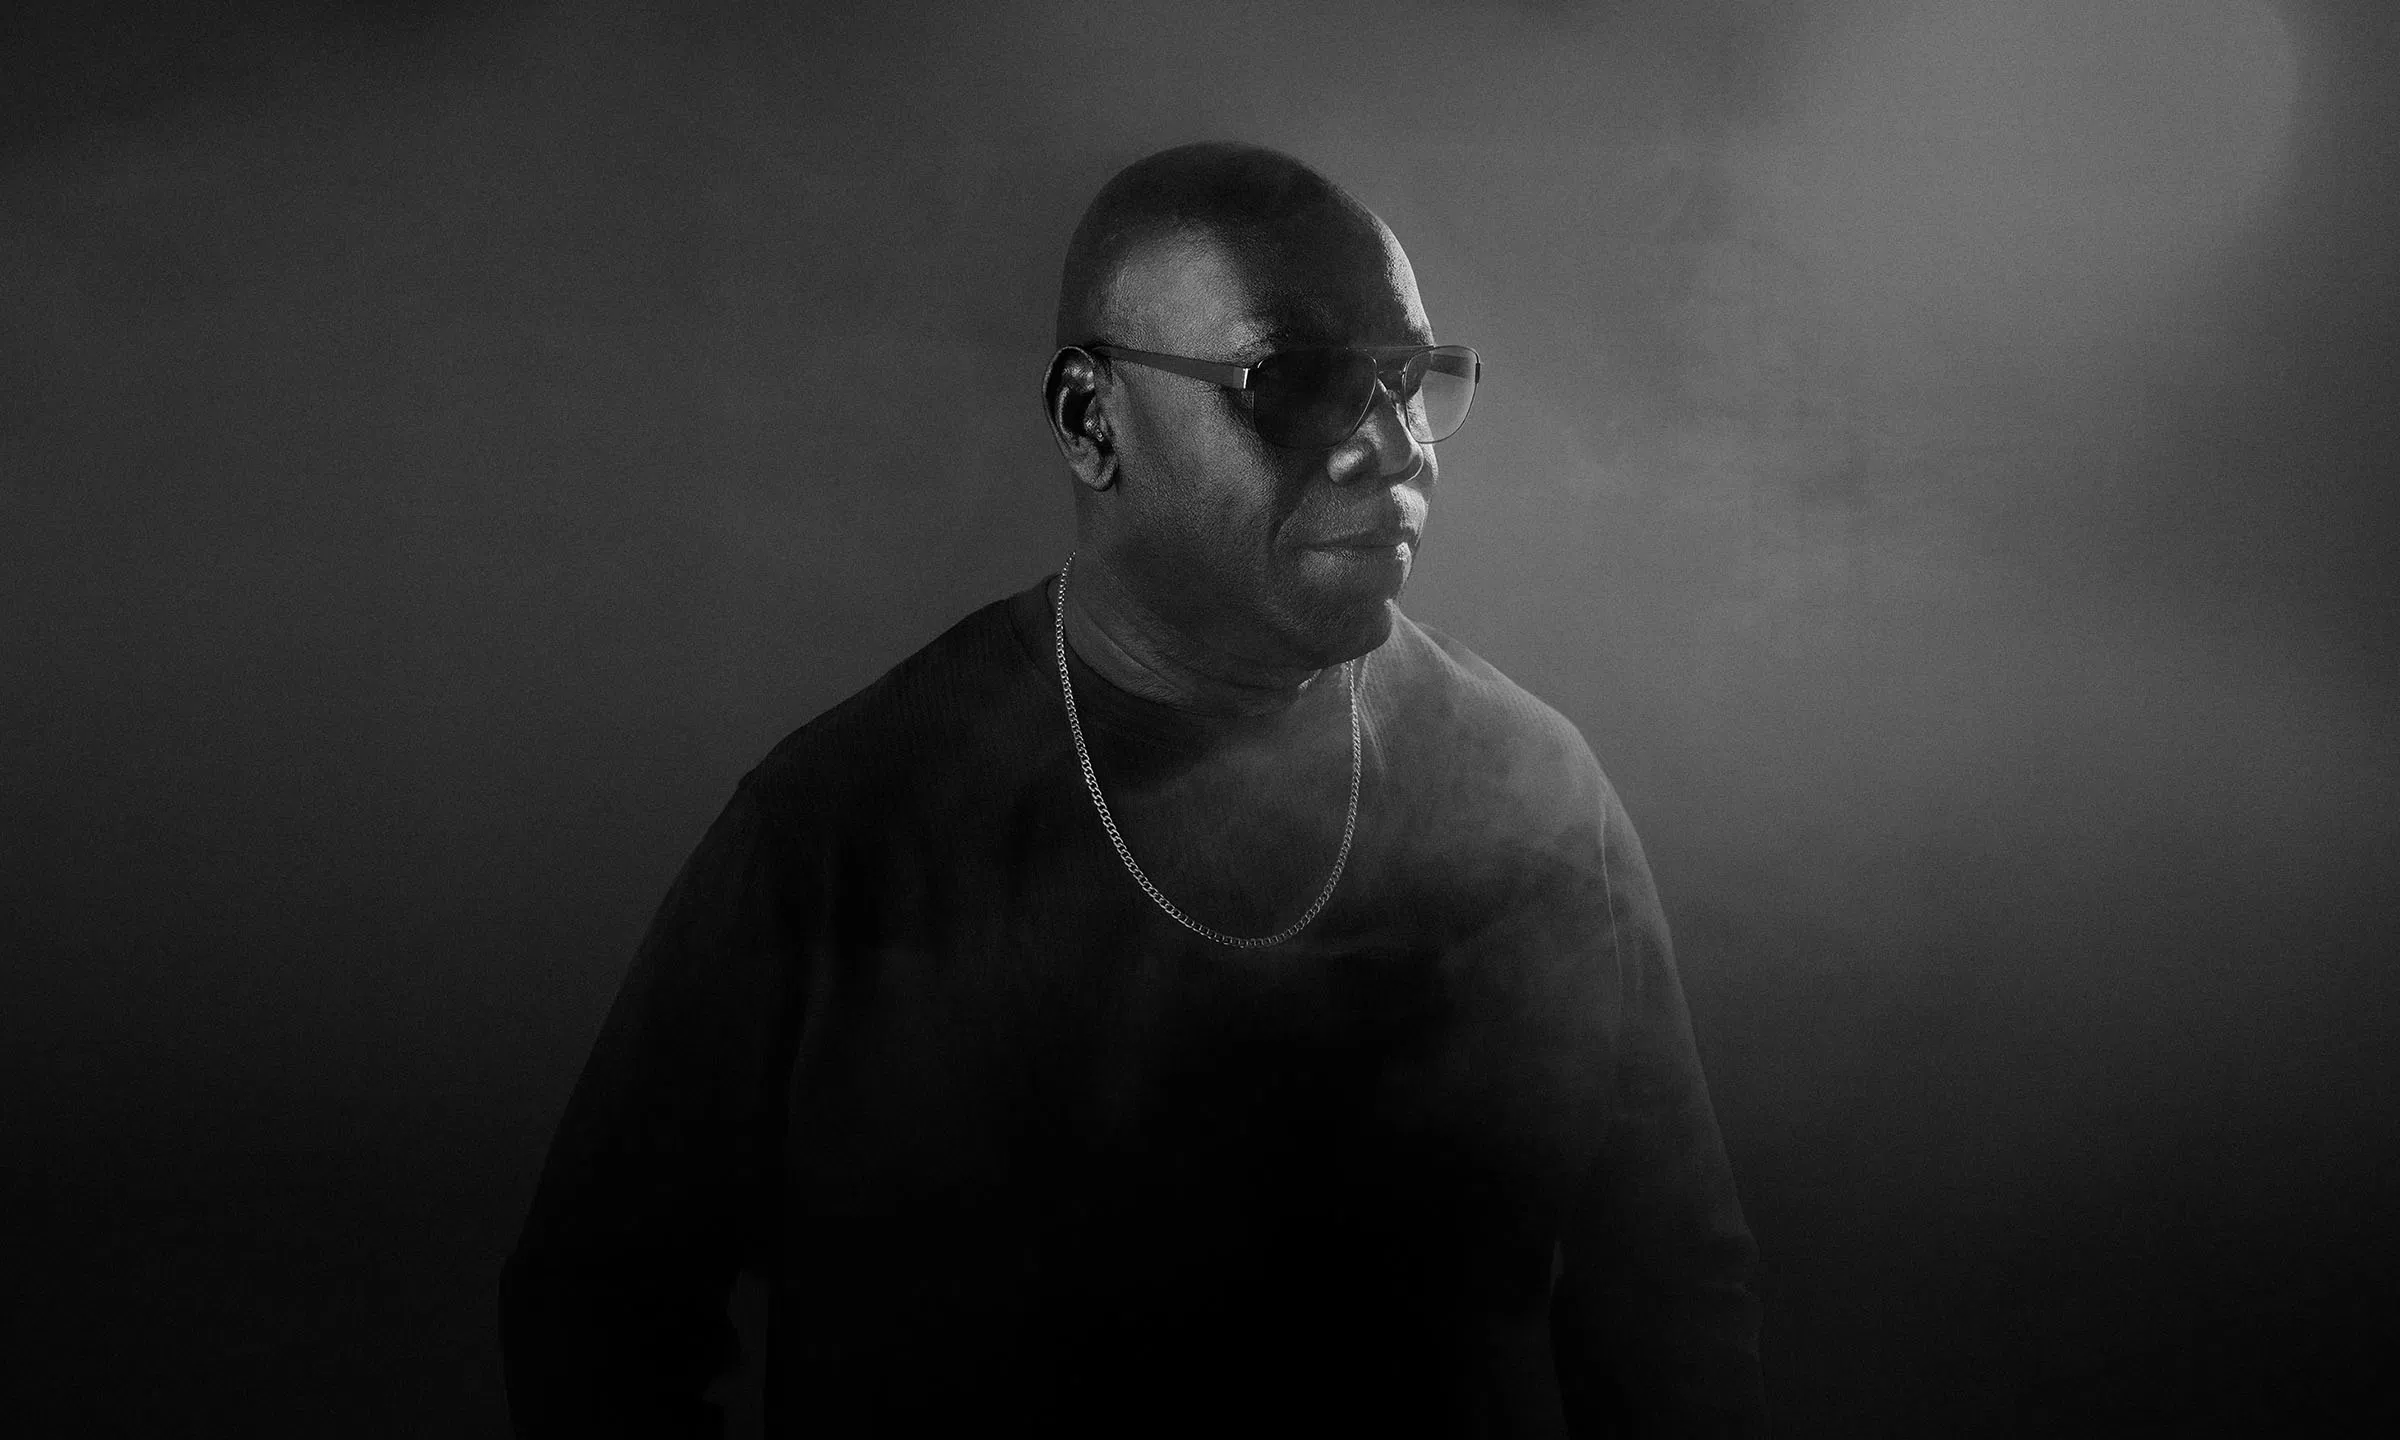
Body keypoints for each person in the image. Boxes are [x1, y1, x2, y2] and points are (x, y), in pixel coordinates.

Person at [500, 141, 1765, 1438]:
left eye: (1409, 379)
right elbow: (596, 1322)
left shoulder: (1533, 796)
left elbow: (1674, 1302)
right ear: (1091, 420)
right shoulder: (844, 824)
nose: (1395, 449)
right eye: (1297, 386)